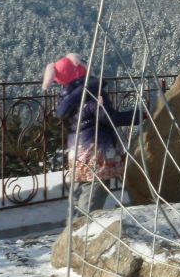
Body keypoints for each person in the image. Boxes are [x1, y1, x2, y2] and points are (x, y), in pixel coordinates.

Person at [42, 53, 135, 214]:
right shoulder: (91, 93)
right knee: (94, 190)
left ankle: (73, 226)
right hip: (96, 149)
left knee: (79, 192)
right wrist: (140, 114)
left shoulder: (66, 97)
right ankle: (85, 227)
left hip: (76, 150)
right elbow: (109, 118)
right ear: (80, 70)